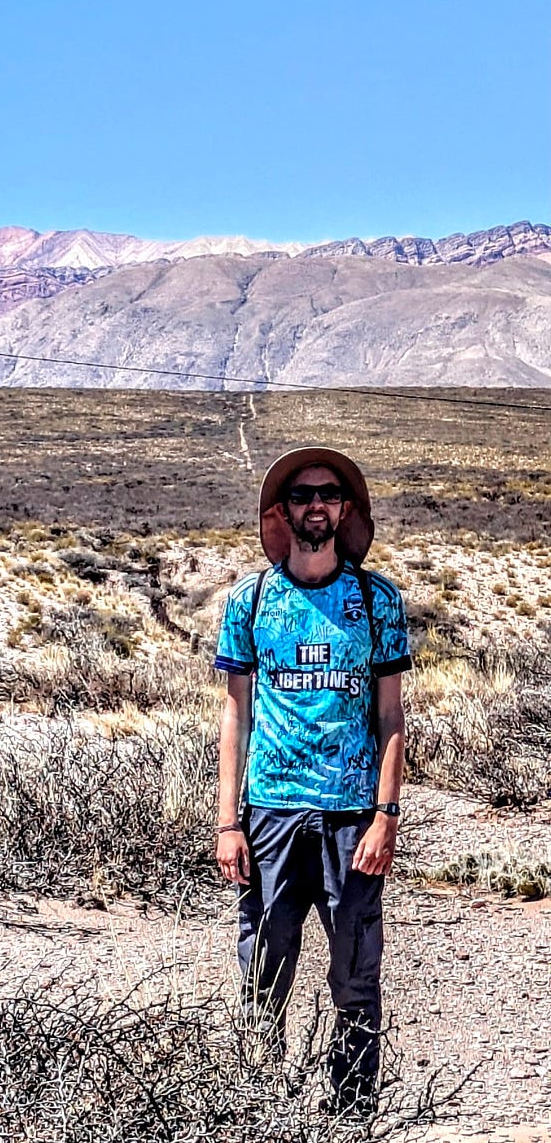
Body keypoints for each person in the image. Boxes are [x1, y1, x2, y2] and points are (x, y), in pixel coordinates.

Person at [213, 446, 411, 1118]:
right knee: (264, 967)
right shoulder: (253, 598)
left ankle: (353, 1111)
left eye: (328, 493)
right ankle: (257, 1105)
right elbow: (235, 712)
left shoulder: (375, 599)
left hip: (353, 815)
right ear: (283, 511)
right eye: (302, 495)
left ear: (345, 508)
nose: (316, 504)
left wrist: (386, 815)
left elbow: (390, 714)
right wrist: (227, 821)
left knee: (355, 972)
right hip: (270, 808)